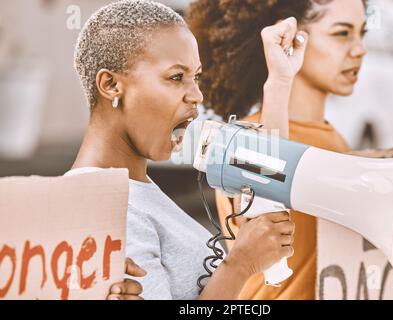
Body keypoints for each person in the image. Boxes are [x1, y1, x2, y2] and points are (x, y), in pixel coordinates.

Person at [66, 0, 299, 300]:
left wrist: (279, 82)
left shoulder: (135, 191)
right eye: (177, 77)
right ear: (111, 85)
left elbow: (272, 168)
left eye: (196, 77)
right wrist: (239, 264)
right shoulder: (102, 206)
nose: (197, 95)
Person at [188, 0, 368, 300]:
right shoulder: (241, 142)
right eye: (342, 33)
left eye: (363, 32)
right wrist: (279, 81)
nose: (360, 49)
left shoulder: (332, 136)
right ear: (292, 38)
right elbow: (266, 196)